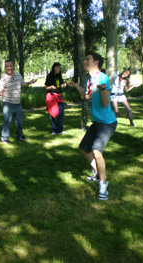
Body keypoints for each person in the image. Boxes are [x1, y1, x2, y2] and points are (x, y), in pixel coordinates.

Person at [73, 51, 117, 200]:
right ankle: (98, 173)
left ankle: (103, 184)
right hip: (97, 122)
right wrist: (77, 86)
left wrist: (104, 90)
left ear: (96, 62)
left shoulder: (102, 78)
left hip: (107, 123)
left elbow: (105, 103)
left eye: (88, 59)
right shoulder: (88, 80)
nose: (85, 62)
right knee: (84, 148)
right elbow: (86, 96)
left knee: (96, 150)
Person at [0, 60, 37, 143]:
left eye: (10, 66)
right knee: (6, 121)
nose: (9, 68)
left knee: (19, 122)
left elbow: (21, 84)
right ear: (5, 67)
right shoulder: (3, 79)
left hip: (18, 103)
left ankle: (20, 136)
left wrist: (29, 82)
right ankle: (4, 138)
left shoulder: (18, 75)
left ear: (13, 66)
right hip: (8, 104)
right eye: (7, 66)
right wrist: (1, 97)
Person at [45, 62, 68, 135]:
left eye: (60, 67)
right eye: (57, 67)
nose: (59, 69)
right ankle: (54, 130)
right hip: (52, 96)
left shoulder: (59, 76)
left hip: (59, 96)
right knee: (53, 113)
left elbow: (61, 85)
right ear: (54, 67)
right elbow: (46, 88)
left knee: (61, 113)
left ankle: (60, 129)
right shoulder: (50, 76)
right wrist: (51, 87)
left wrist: (63, 85)